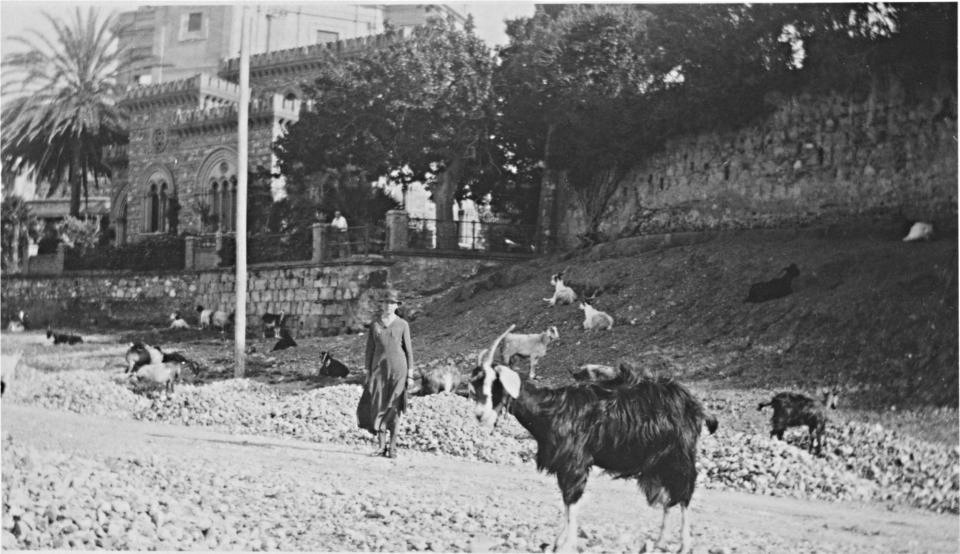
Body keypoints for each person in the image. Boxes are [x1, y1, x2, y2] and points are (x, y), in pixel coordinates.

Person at [357, 289, 412, 458]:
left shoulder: (403, 324)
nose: (389, 306)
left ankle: (393, 447)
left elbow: (408, 351)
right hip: (378, 371)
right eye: (386, 303)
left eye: (392, 303)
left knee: (394, 407)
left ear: (396, 306)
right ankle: (381, 447)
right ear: (382, 305)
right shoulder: (375, 324)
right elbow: (370, 350)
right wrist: (368, 371)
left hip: (398, 370)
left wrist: (410, 374)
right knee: (378, 405)